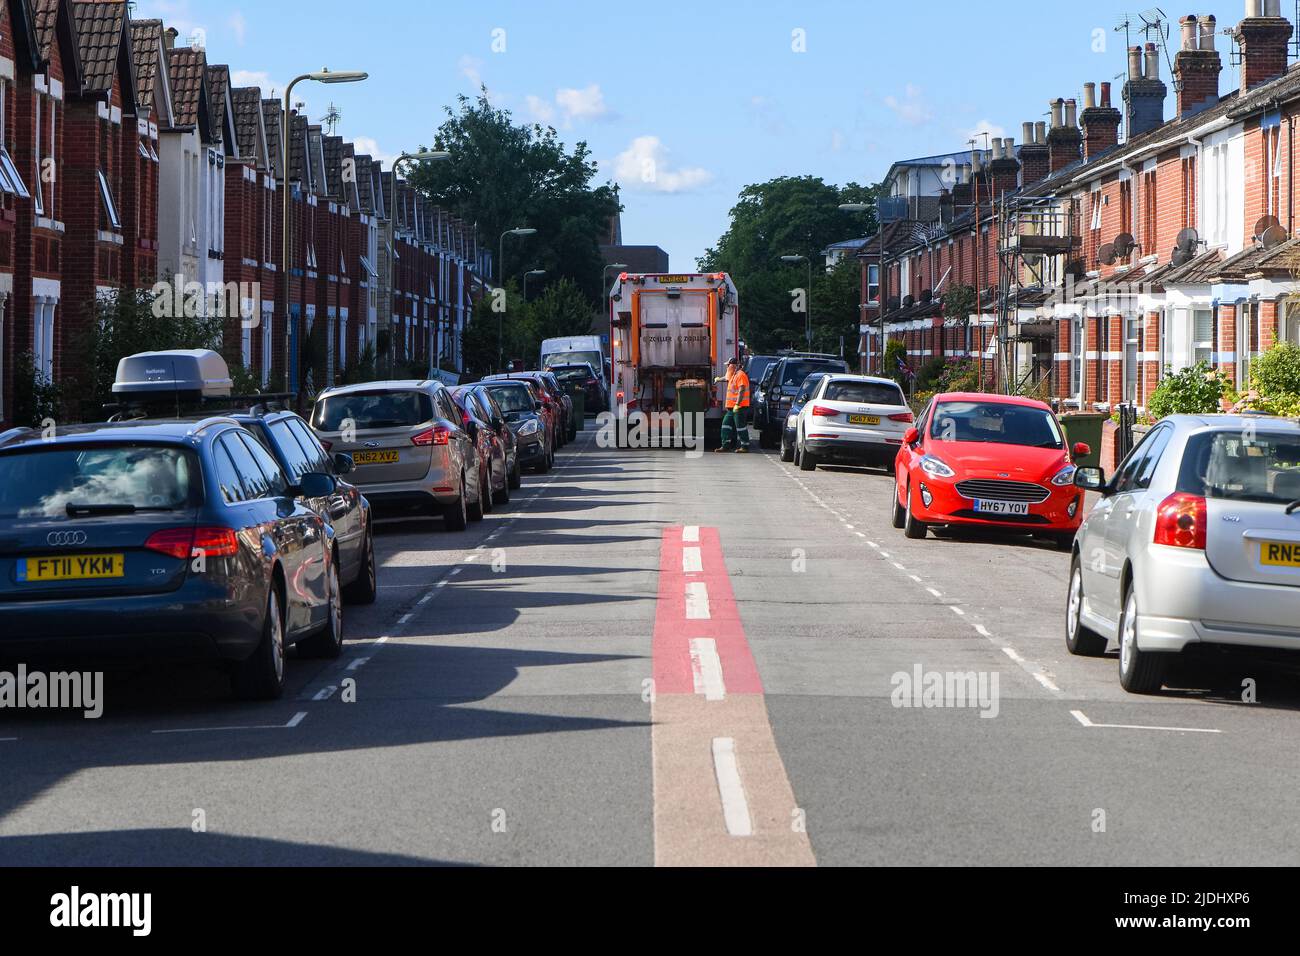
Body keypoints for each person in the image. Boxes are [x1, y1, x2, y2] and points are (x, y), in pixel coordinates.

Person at [716, 357, 751, 454]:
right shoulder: (733, 374)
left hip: (739, 407)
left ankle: (745, 446)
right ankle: (725, 445)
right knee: (725, 425)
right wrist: (719, 379)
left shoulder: (741, 375)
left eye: (728, 365)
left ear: (734, 365)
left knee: (740, 427)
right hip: (731, 408)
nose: (727, 366)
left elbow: (742, 389)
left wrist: (737, 404)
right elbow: (726, 378)